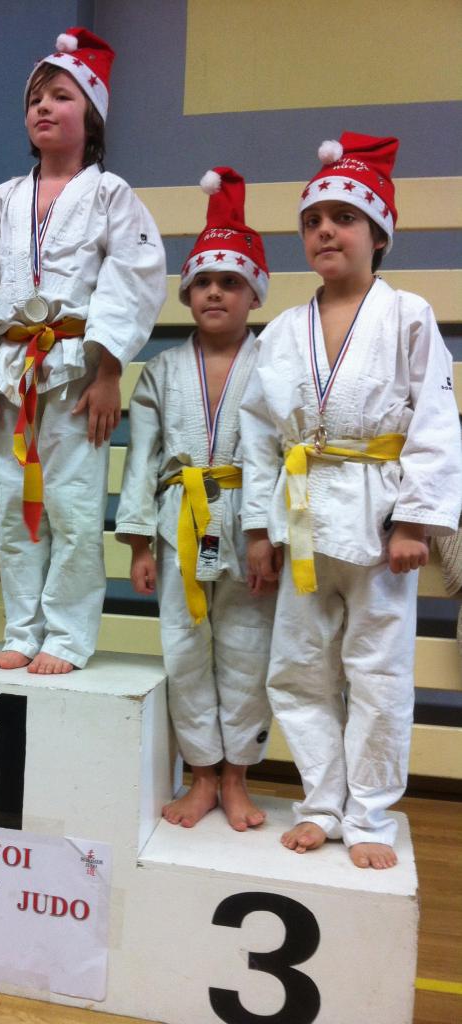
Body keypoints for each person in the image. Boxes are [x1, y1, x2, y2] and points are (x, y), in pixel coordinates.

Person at [241, 133, 462, 867]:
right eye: (313, 220)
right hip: (301, 516)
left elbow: (433, 420)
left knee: (378, 671)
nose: (326, 231)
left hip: (378, 518)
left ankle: (368, 815)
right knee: (298, 670)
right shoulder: (278, 333)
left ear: (378, 234)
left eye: (344, 217)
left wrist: (415, 521)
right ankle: (322, 803)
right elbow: (259, 440)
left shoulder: (407, 317)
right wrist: (257, 531)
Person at [0, 27, 166, 675]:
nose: (43, 107)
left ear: (89, 115)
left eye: (60, 96)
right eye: (35, 97)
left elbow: (135, 279)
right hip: (11, 375)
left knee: (72, 507)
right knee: (15, 508)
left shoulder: (110, 195)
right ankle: (22, 626)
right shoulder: (0, 201)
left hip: (75, 374)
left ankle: (65, 635)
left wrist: (110, 369)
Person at [116, 169, 276, 830]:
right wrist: (136, 542)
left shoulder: (275, 364)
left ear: (253, 294)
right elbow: (142, 458)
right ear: (186, 294)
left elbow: (278, 455)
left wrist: (270, 533)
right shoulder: (161, 370)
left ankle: (238, 777)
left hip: (248, 525)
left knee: (247, 649)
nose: (214, 293)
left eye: (229, 282)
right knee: (184, 649)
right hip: (178, 519)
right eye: (203, 283)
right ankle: (202, 775)